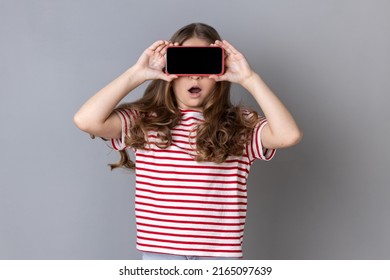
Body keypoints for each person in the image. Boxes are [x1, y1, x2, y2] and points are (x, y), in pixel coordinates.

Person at [74, 22, 302, 260]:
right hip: (160, 255)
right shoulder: (143, 120)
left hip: (219, 258)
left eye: (204, 64)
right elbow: (86, 119)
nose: (194, 75)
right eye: (185, 64)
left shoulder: (239, 124)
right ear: (169, 70)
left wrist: (249, 78)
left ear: (220, 72)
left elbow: (288, 135)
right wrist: (137, 74)